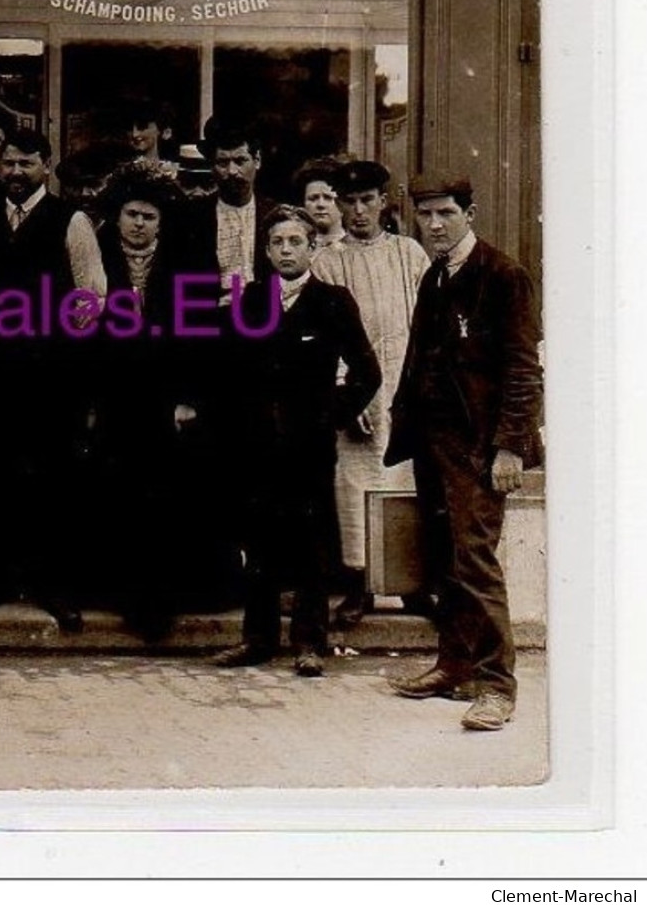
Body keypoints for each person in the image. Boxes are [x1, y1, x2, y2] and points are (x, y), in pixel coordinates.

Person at [384, 176, 542, 732]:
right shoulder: (435, 276)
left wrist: (510, 450)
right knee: (444, 561)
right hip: (434, 445)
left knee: (476, 563)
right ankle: (454, 666)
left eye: (446, 213)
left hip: (479, 449)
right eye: (425, 215)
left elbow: (525, 371)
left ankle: (497, 686)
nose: (434, 225)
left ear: (469, 213)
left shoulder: (503, 276)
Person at [211, 206, 380, 675]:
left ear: (312, 248)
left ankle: (310, 643)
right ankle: (257, 640)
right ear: (266, 251)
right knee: (259, 542)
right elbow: (227, 374)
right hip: (257, 445)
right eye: (278, 243)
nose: (286, 251)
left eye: (296, 242)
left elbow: (368, 371)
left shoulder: (332, 301)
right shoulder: (249, 304)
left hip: (309, 447)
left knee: (311, 544)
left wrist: (331, 414)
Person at [0, 127, 108, 626]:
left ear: (45, 165)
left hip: (50, 375)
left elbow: (92, 296)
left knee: (53, 478)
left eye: (26, 164)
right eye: (9, 163)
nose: (15, 173)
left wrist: (59, 350)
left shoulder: (71, 220)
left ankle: (54, 586)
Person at [87, 163, 211, 637]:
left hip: (167, 397)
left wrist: (187, 397)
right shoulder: (96, 255)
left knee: (166, 494)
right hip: (115, 393)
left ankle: (161, 603)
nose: (139, 224)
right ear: (117, 216)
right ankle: (120, 593)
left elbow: (200, 333)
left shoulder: (186, 258)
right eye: (132, 214)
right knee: (118, 489)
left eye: (149, 217)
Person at [309, 160, 432, 625]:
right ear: (338, 205)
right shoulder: (327, 260)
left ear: (383, 202)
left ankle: (407, 585)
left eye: (367, 201)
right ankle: (358, 585)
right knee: (354, 480)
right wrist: (349, 392)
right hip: (356, 390)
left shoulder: (410, 255)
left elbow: (425, 327)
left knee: (404, 480)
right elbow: (326, 333)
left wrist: (418, 388)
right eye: (350, 202)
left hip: (404, 382)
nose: (358, 211)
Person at [190, 117, 278, 304]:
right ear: (212, 166)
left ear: (257, 160)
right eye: (223, 162)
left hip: (266, 322)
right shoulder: (190, 219)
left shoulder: (276, 215)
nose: (231, 171)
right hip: (211, 323)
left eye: (240, 161)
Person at [294, 157, 347, 254]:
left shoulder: (359, 249)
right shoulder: (295, 251)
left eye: (328, 198)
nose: (320, 205)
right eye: (313, 198)